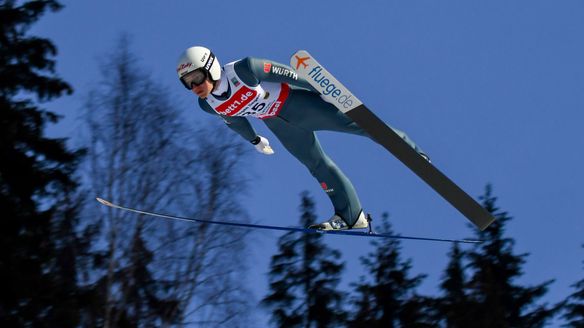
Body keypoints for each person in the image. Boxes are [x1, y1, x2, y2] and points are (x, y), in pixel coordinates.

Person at [176, 46, 429, 231]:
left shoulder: (244, 69)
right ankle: (351, 216)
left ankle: (410, 151)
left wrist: (320, 89)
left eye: (196, 77)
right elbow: (235, 122)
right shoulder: (208, 105)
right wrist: (254, 140)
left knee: (360, 126)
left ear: (210, 67)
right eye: (187, 83)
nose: (194, 86)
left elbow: (289, 74)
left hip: (297, 104)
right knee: (316, 165)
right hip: (278, 123)